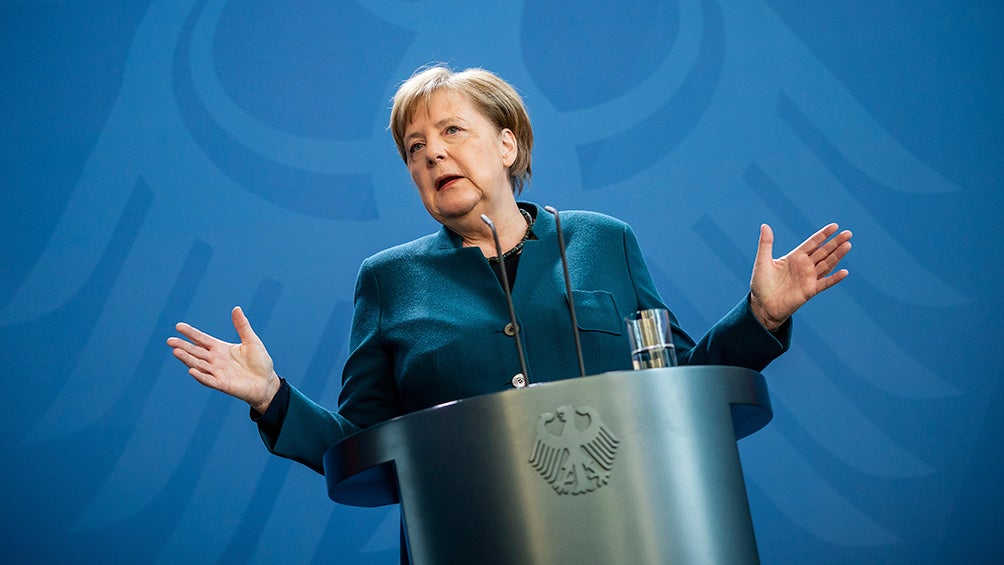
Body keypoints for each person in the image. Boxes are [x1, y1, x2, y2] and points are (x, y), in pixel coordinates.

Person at [167, 65, 852, 476]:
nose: (432, 155)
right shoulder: (388, 281)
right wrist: (272, 395)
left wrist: (761, 316)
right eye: (414, 148)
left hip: (631, 526)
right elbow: (361, 444)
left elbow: (674, 385)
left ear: (507, 142)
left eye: (451, 132)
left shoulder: (603, 241)